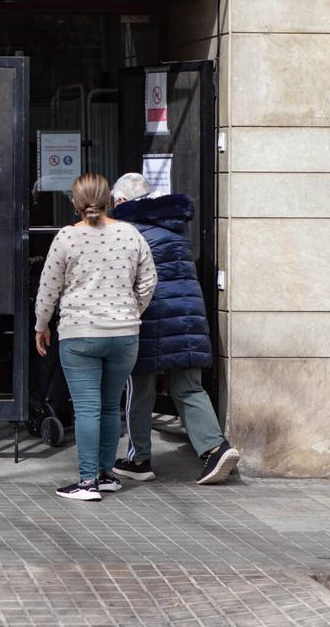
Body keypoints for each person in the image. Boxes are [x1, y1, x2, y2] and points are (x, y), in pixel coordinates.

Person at [108, 172, 240, 485]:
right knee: (189, 386)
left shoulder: (128, 232)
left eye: (114, 202)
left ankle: (139, 459)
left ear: (123, 201)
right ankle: (215, 447)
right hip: (189, 318)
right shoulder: (174, 227)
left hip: (153, 318)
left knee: (139, 389)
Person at [35, 173, 157, 501]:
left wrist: (41, 325)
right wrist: (132, 312)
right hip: (124, 334)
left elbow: (49, 288)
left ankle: (87, 482)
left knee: (87, 408)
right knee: (108, 406)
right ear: (108, 200)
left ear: (75, 204)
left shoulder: (66, 238)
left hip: (80, 335)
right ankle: (106, 475)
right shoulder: (130, 234)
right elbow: (149, 281)